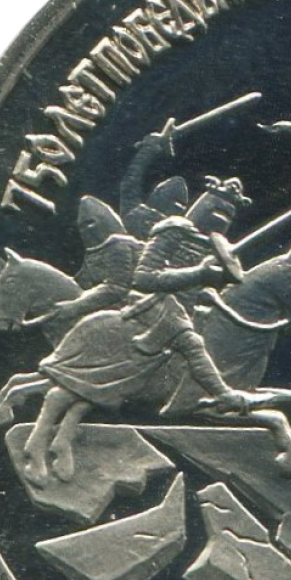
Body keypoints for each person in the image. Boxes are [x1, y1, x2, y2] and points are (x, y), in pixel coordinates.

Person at [123, 176, 250, 414]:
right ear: (204, 203)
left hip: (190, 313)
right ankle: (224, 395)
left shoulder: (221, 249)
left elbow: (220, 288)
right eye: (217, 207)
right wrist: (199, 274)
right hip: (154, 304)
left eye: (229, 214)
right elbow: (144, 277)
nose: (222, 217)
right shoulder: (174, 230)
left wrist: (216, 284)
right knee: (192, 344)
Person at [50, 196, 141, 326]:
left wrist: (74, 307)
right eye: (82, 226)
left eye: (90, 223)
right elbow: (80, 283)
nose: (87, 229)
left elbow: (117, 288)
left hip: (135, 313)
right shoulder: (93, 254)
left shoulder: (120, 246)